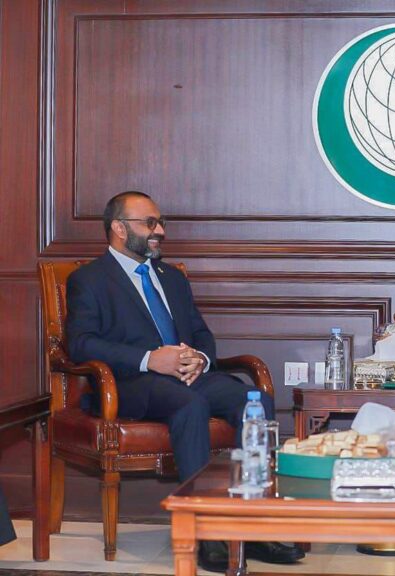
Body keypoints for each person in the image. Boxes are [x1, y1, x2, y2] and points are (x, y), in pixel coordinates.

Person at [65, 191, 303, 572]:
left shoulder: (172, 278)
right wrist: (150, 359)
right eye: (150, 223)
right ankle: (204, 533)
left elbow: (200, 332)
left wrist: (201, 359)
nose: (160, 231)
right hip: (130, 384)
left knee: (254, 399)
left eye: (161, 223)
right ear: (119, 228)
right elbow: (81, 344)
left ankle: (252, 526)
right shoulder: (89, 280)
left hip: (187, 378)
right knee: (190, 405)